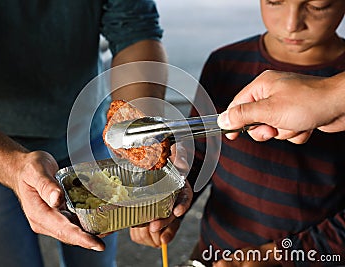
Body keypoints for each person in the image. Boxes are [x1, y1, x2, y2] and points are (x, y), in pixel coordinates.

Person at [0, 1, 193, 267]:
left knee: (94, 258)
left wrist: (137, 132)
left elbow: (135, 29)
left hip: (87, 135)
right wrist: (13, 168)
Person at [131, 0, 345, 266]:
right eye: (275, 2)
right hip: (215, 250)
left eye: (318, 6)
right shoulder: (225, 63)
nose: (292, 24)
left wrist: (280, 256)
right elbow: (199, 152)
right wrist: (173, 200)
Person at [216, 70, 345, 144]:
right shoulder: (222, 62)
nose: (292, 26)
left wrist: (331, 94)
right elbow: (200, 153)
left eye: (317, 19)